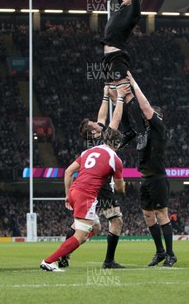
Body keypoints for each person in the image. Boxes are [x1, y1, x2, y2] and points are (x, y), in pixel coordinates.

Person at [62, 85, 129, 269]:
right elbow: (114, 119)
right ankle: (109, 261)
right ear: (93, 132)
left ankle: (65, 253)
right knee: (116, 220)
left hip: (87, 184)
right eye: (93, 124)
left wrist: (105, 96)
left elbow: (101, 117)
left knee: (88, 227)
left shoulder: (94, 139)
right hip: (101, 185)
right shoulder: (105, 138)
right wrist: (120, 98)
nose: (96, 121)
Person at [40, 128, 125, 272]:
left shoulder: (88, 152)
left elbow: (68, 171)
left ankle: (66, 250)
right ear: (117, 143)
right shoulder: (115, 159)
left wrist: (67, 195)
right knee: (81, 235)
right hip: (86, 196)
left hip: (74, 191)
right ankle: (49, 261)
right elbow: (119, 189)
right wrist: (124, 185)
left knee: (96, 228)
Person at [101, 0, 158, 150]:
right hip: (108, 58)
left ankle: (141, 132)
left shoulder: (133, 9)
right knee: (115, 95)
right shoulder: (121, 6)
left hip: (117, 56)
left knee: (125, 94)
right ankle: (128, 131)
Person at [126, 71, 177, 267]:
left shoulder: (159, 128)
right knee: (148, 215)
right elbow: (135, 108)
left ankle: (171, 254)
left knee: (161, 214)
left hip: (157, 178)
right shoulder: (145, 130)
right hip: (145, 178)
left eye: (150, 116)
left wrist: (133, 82)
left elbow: (145, 107)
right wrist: (122, 92)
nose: (146, 118)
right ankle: (160, 252)